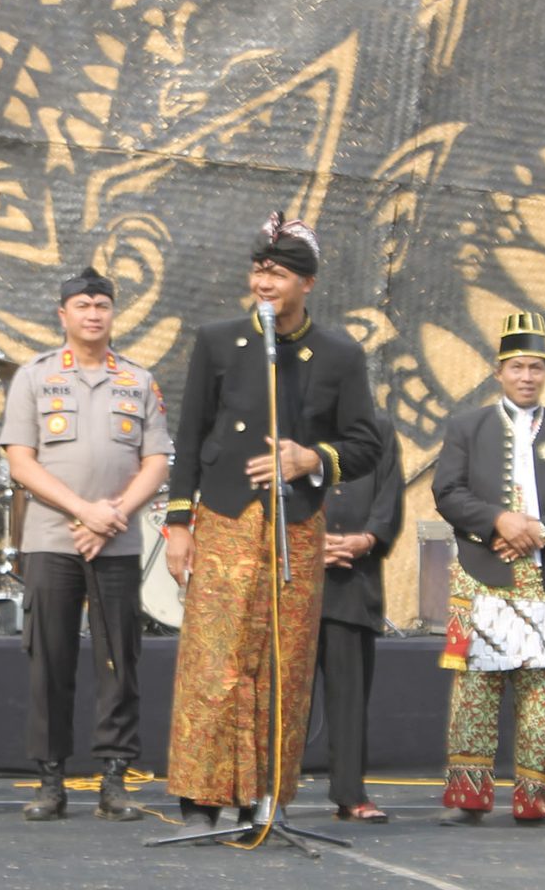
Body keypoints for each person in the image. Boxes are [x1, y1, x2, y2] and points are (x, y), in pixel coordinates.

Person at [164, 212, 381, 831]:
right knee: (216, 660)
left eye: (279, 273)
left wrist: (311, 458)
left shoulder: (338, 354)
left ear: (307, 283)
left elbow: (365, 443)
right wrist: (180, 524)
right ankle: (201, 798)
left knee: (281, 665)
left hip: (296, 528)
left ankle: (263, 796)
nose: (265, 282)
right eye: (260, 270)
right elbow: (191, 432)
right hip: (226, 517)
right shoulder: (217, 340)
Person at [0, 267, 171, 822]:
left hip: (116, 541)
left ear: (112, 313)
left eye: (102, 305)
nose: (93, 314)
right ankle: (50, 780)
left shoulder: (138, 380)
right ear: (63, 314)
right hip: (53, 538)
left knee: (119, 659)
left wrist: (113, 513)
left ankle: (115, 779)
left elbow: (156, 460)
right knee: (49, 657)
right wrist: (83, 512)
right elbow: (21, 461)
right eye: (83, 305)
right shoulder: (34, 376)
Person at [433, 311, 545, 829]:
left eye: (535, 367)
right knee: (477, 691)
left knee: (538, 693)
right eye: (517, 367)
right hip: (485, 574)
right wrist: (500, 522)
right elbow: (448, 492)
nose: (526, 377)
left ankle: (534, 801)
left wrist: (539, 532)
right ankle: (469, 799)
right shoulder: (467, 426)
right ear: (498, 371)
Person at [317, 411, 404, 824]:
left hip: (355, 580)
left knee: (349, 697)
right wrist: (307, 545)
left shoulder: (377, 427)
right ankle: (268, 794)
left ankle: (350, 794)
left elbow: (390, 494)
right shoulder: (287, 416)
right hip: (292, 578)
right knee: (280, 697)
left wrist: (367, 539)